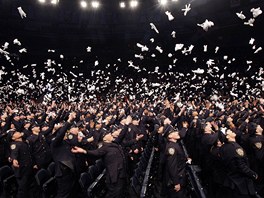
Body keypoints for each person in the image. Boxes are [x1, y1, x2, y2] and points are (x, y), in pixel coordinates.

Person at [71, 131, 127, 198]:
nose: (110, 134)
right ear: (104, 139)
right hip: (115, 176)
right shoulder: (104, 147)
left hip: (120, 173)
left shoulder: (114, 143)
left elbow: (121, 136)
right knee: (115, 194)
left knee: (120, 192)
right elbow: (95, 153)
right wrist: (83, 151)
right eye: (108, 134)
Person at [219, 129, 258, 197]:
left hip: (231, 181)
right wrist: (253, 174)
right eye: (229, 131)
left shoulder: (223, 147)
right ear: (227, 136)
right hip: (241, 183)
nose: (232, 131)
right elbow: (242, 166)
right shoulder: (236, 148)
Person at [8, 129, 34, 198]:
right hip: (22, 171)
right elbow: (14, 152)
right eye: (15, 133)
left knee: (29, 187)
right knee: (22, 189)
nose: (17, 132)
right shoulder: (14, 144)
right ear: (13, 138)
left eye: (16, 131)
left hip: (28, 168)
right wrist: (14, 159)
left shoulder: (24, 141)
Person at [164, 129, 187, 198]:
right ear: (170, 136)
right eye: (174, 132)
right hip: (177, 179)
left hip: (179, 175)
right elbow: (172, 166)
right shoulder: (171, 148)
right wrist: (176, 183)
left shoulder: (174, 144)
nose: (177, 132)